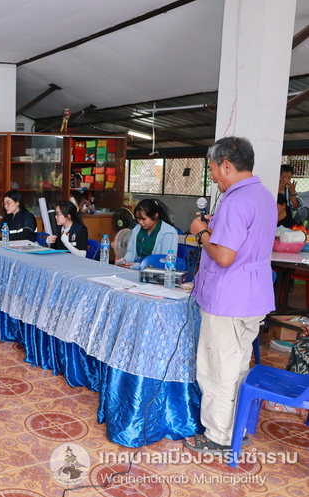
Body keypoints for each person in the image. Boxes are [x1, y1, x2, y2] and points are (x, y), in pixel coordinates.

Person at [186, 136, 275, 454]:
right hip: (252, 297)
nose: (213, 178)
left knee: (216, 370)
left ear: (226, 165)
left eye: (213, 170)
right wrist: (216, 230)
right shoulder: (263, 196)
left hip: (229, 299)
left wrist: (202, 233)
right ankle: (235, 430)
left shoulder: (235, 201)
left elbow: (224, 256)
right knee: (236, 366)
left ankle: (218, 437)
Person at [116, 198, 177, 268]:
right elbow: (131, 251)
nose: (140, 222)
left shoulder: (168, 232)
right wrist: (125, 260)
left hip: (155, 271)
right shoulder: (137, 229)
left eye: (143, 219)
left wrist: (140, 266)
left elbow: (164, 260)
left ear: (155, 216)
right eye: (138, 218)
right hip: (136, 267)